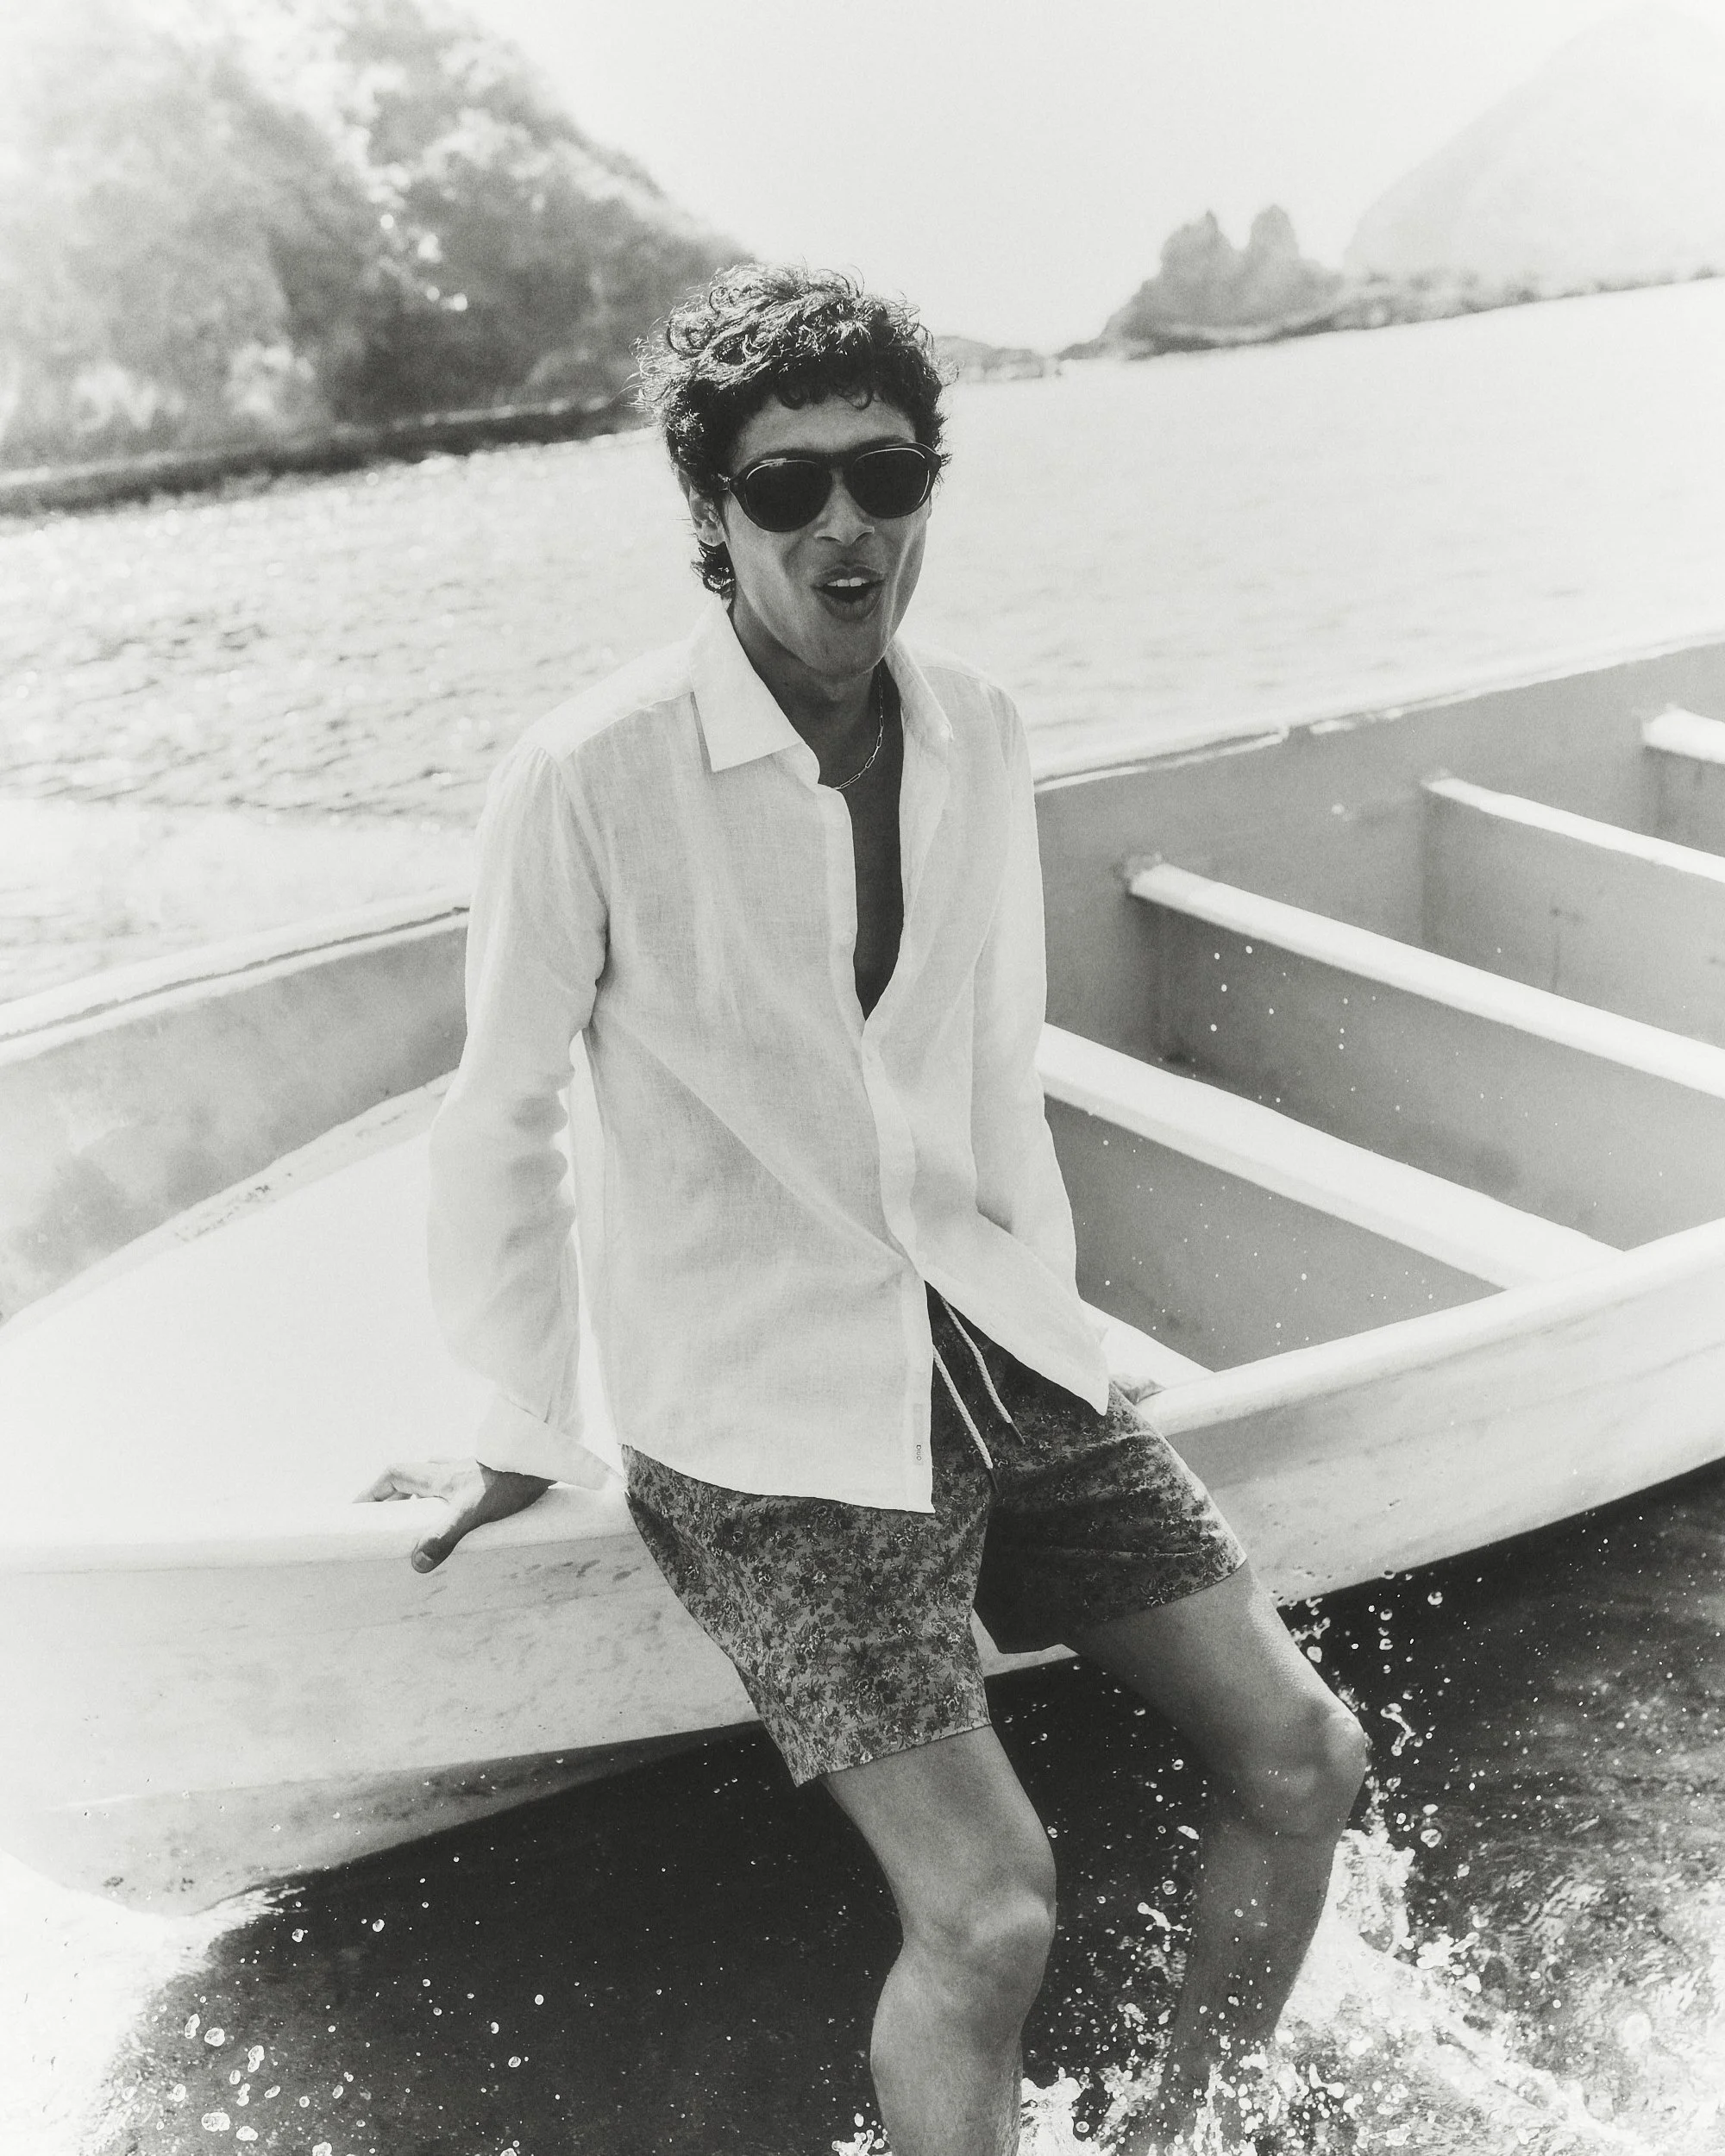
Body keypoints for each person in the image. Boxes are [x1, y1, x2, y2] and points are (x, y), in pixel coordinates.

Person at [362, 262, 1368, 2156]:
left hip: (991, 1340)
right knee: (991, 1914)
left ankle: (1187, 2134)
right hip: (761, 1410)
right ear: (711, 510)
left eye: (887, 475)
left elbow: (989, 1066)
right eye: (788, 486)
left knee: (1307, 1757)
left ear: (927, 487)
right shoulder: (585, 775)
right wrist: (516, 1419)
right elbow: (500, 1111)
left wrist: (1063, 1327)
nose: (846, 525)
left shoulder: (978, 725)